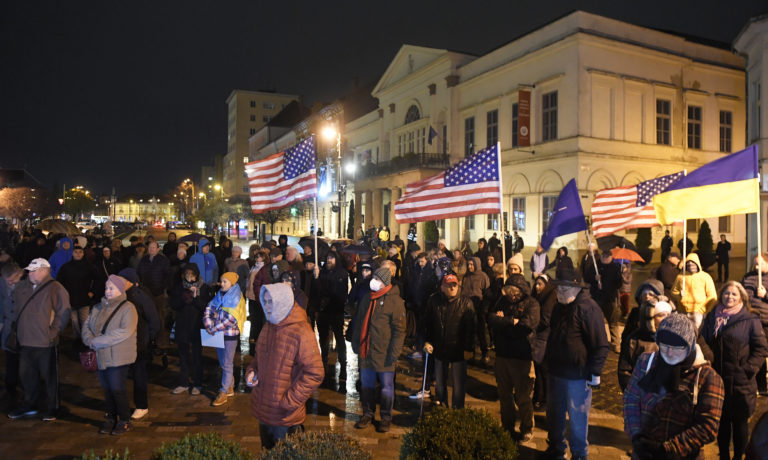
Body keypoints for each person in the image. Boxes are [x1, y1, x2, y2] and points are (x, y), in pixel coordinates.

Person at [623, 313, 725, 460]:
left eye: (677, 347)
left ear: (689, 346)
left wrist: (667, 449)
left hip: (683, 456)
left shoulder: (707, 377)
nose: (669, 353)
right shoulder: (646, 361)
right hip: (643, 451)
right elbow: (631, 398)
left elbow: (708, 426)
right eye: (665, 346)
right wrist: (636, 436)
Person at [246, 283, 324, 450]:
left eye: (271, 302)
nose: (266, 306)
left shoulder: (301, 331)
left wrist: (290, 401)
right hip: (264, 411)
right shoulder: (268, 326)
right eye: (264, 301)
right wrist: (252, 372)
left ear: (282, 302)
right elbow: (257, 359)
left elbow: (315, 373)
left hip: (285, 417)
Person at [544, 267, 609, 460]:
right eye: (559, 288)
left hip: (577, 377)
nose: (561, 292)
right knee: (554, 416)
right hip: (556, 372)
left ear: (577, 288)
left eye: (566, 288)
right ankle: (556, 450)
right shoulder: (558, 306)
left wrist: (595, 372)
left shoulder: (588, 308)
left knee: (577, 420)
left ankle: (579, 455)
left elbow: (601, 345)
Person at [701, 281, 768, 460]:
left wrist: (748, 370)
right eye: (726, 293)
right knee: (721, 423)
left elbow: (761, 348)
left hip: (741, 382)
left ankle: (738, 456)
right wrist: (708, 358)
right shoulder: (711, 317)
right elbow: (702, 339)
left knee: (739, 424)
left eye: (734, 294)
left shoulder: (750, 320)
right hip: (717, 379)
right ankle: (723, 455)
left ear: (741, 298)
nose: (729, 297)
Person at [7, 259, 70, 422]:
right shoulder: (22, 286)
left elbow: (63, 312)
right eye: (29, 270)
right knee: (27, 376)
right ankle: (30, 403)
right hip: (25, 340)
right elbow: (14, 307)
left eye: (34, 270)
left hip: (45, 342)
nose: (30, 273)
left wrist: (53, 332)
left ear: (44, 270)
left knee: (49, 377)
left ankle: (52, 407)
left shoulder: (55, 288)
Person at [350, 267, 406, 432]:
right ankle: (367, 413)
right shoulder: (367, 298)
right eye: (373, 277)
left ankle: (386, 417)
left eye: (377, 278)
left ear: (385, 282)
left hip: (385, 352)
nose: (373, 281)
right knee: (366, 385)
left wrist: (394, 353)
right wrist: (355, 343)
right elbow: (359, 322)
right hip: (367, 351)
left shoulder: (395, 302)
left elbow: (399, 330)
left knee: (386, 387)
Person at [81, 275, 138, 435]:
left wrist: (97, 341)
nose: (108, 291)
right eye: (107, 287)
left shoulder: (128, 308)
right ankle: (111, 418)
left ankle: (124, 420)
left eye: (112, 288)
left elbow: (125, 331)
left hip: (118, 356)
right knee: (107, 389)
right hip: (101, 354)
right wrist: (89, 340)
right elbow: (87, 324)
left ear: (120, 290)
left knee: (117, 388)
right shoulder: (98, 307)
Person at [488, 273, 540, 441]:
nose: (511, 295)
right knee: (504, 395)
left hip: (522, 357)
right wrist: (511, 321)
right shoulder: (501, 302)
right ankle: (507, 426)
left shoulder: (532, 304)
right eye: (508, 291)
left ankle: (527, 427)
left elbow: (525, 327)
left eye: (514, 291)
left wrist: (504, 324)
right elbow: (491, 318)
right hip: (503, 355)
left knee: (523, 396)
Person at [423, 273, 475, 408]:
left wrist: (469, 348)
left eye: (454, 285)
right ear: (442, 287)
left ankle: (458, 410)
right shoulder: (434, 301)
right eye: (448, 285)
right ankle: (441, 405)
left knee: (458, 384)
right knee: (440, 382)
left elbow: (470, 328)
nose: (452, 288)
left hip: (458, 349)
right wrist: (428, 340)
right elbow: (427, 323)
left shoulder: (466, 302)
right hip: (439, 347)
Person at [117, 268, 160, 420]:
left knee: (139, 374)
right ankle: (119, 406)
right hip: (122, 342)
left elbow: (153, 319)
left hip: (139, 342)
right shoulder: (119, 296)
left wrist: (150, 338)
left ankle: (142, 406)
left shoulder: (140, 296)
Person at [203, 272, 247, 406]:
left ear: (232, 284)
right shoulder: (220, 294)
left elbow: (231, 319)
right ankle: (229, 387)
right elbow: (209, 308)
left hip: (229, 335)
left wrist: (213, 327)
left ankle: (223, 392)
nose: (221, 284)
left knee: (227, 363)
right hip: (218, 334)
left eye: (225, 282)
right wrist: (209, 324)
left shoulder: (236, 298)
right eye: (221, 281)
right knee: (223, 363)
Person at [168, 264, 212, 397]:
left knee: (197, 356)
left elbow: (206, 306)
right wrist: (184, 298)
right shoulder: (179, 287)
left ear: (196, 275)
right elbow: (174, 305)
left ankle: (197, 383)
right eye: (187, 274)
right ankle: (183, 382)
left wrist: (195, 297)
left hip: (197, 326)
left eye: (192, 275)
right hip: (183, 326)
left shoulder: (204, 288)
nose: (189, 277)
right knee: (183, 356)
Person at [617, 299, 673, 391]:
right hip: (641, 394)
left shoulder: (674, 338)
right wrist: (632, 393)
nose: (666, 318)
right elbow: (625, 371)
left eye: (668, 314)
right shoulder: (635, 340)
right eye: (661, 315)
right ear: (651, 318)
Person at [317, 252, 349, 380]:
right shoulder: (322, 272)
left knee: (339, 337)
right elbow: (319, 291)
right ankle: (323, 361)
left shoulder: (342, 273)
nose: (329, 260)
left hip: (336, 310)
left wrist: (324, 278)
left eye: (331, 258)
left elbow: (339, 292)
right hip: (324, 310)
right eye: (327, 257)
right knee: (323, 337)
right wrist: (317, 277)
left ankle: (343, 365)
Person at [585, 251, 624, 353]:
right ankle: (597, 342)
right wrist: (595, 278)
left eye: (608, 256)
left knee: (613, 321)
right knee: (596, 321)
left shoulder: (615, 268)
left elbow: (619, 285)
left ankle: (616, 343)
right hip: (596, 298)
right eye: (604, 256)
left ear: (611, 257)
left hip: (610, 299)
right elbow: (586, 278)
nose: (605, 258)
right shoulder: (595, 265)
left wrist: (619, 278)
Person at [741, 253, 768, 396]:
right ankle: (758, 384)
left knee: (763, 352)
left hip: (766, 321)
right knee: (755, 353)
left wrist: (766, 295)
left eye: (760, 264)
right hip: (751, 320)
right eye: (755, 263)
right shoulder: (748, 277)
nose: (756, 266)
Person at [56, 245, 94, 345]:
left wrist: (92, 292)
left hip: (84, 298)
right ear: (72, 253)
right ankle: (78, 340)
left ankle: (86, 340)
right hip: (71, 299)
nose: (78, 254)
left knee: (85, 321)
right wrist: (63, 295)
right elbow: (59, 282)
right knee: (74, 321)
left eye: (80, 252)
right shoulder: (66, 267)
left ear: (83, 253)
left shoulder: (89, 266)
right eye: (76, 252)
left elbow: (97, 279)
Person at [671, 253, 717, 329]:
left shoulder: (705, 277)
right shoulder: (680, 277)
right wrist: (679, 296)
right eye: (688, 264)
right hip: (683, 312)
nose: (690, 265)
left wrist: (705, 310)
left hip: (698, 312)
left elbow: (712, 296)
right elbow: (673, 291)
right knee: (684, 331)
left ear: (697, 264)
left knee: (696, 332)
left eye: (693, 263)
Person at [137, 241, 170, 347]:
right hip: (145, 292)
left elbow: (167, 275)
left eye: (153, 247)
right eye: (150, 247)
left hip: (158, 293)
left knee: (159, 316)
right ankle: (149, 339)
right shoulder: (144, 260)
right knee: (146, 316)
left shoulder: (163, 260)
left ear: (158, 249)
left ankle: (160, 339)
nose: (151, 249)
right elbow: (138, 273)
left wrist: (162, 287)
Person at [532, 274, 556, 411]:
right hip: (539, 337)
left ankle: (544, 399)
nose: (536, 287)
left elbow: (545, 320)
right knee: (539, 369)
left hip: (544, 337)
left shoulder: (549, 297)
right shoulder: (537, 296)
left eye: (540, 284)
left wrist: (531, 324)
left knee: (543, 369)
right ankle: (538, 397)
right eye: (536, 284)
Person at [1, 262, 24, 400]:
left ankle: (27, 385)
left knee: (26, 359)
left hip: (24, 327)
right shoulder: (2, 284)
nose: (9, 282)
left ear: (20, 275)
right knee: (11, 358)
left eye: (12, 279)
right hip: (9, 327)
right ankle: (10, 386)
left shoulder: (26, 284)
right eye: (6, 280)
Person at [463, 257, 490, 363]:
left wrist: (484, 307)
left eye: (472, 264)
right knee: (469, 331)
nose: (469, 266)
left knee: (481, 332)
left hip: (479, 308)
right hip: (468, 308)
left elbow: (487, 293)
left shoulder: (483, 276)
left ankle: (485, 352)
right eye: (468, 264)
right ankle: (470, 352)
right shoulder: (466, 276)